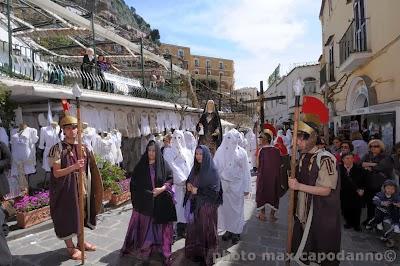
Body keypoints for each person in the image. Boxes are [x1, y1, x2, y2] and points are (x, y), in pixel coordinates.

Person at [48, 115, 103, 260]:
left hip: (82, 188)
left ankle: (81, 242)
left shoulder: (82, 147)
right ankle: (70, 248)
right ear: (63, 130)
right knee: (67, 217)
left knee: (81, 215)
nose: (72, 131)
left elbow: (88, 169)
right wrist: (74, 167)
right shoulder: (57, 149)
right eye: (68, 128)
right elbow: (56, 173)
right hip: (65, 190)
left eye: (74, 127)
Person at [289, 117, 341, 266]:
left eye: (300, 139)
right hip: (303, 213)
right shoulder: (304, 155)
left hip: (319, 215)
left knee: (319, 252)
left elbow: (326, 190)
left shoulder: (326, 159)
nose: (296, 143)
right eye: (296, 139)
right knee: (304, 251)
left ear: (311, 138)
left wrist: (298, 186)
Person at [121, 140, 176, 265]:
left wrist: (162, 189)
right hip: (145, 203)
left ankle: (161, 249)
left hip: (160, 202)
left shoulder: (163, 164)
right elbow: (134, 183)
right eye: (149, 150)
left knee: (161, 227)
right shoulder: (141, 165)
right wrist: (145, 194)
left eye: (154, 151)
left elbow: (170, 178)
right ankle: (146, 247)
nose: (151, 153)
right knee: (147, 228)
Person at [184, 145, 223, 265]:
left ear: (206, 155)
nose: (198, 156)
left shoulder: (212, 171)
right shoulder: (195, 168)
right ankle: (197, 253)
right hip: (195, 204)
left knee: (206, 230)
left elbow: (215, 192)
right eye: (196, 154)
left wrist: (198, 191)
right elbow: (190, 179)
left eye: (201, 154)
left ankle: (208, 255)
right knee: (195, 229)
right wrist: (188, 185)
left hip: (207, 206)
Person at [214, 129, 251, 244]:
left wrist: (247, 188)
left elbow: (246, 171)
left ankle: (236, 232)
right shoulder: (220, 151)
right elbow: (215, 168)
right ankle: (228, 230)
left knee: (237, 210)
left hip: (237, 187)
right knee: (225, 210)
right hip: (224, 186)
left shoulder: (242, 153)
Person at [163, 130, 192, 239]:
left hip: (186, 186)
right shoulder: (168, 152)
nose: (177, 140)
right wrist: (182, 179)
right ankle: (172, 231)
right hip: (176, 185)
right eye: (175, 138)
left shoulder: (187, 152)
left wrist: (189, 180)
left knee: (185, 208)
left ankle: (183, 228)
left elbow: (190, 166)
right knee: (175, 208)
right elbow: (171, 166)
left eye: (179, 138)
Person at [361, 139, 394, 225]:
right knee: (369, 203)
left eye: (376, 146)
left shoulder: (386, 156)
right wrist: (374, 164)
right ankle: (370, 219)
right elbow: (360, 163)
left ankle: (379, 221)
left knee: (380, 204)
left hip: (380, 184)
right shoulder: (367, 155)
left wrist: (369, 165)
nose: (373, 148)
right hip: (368, 183)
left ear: (381, 147)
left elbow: (381, 167)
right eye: (371, 146)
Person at [256, 127, 282, 222]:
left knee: (261, 193)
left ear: (264, 140)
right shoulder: (276, 150)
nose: (259, 140)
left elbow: (258, 165)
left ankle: (262, 215)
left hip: (263, 177)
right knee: (274, 193)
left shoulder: (261, 151)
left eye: (260, 138)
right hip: (274, 178)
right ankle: (272, 215)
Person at [340, 152, 366, 231]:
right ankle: (349, 222)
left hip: (356, 192)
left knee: (356, 208)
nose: (350, 160)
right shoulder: (339, 168)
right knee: (345, 208)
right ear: (343, 159)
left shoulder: (359, 168)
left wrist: (362, 189)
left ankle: (356, 224)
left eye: (351, 158)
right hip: (343, 192)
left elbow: (364, 180)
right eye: (347, 158)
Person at [0, 141, 12, 266]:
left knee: (1, 211)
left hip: (0, 184)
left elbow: (8, 160)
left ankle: (3, 230)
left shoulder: (1, 145)